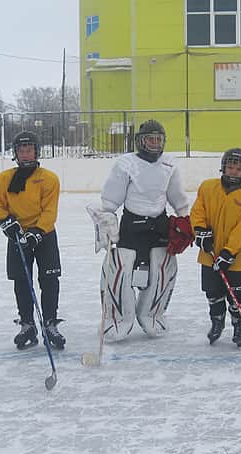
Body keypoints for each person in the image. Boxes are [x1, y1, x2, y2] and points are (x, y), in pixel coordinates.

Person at [88, 119, 194, 341]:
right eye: (150, 139)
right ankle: (116, 319)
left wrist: (185, 218)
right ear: (140, 141)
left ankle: (153, 315)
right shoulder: (126, 164)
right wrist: (106, 219)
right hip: (131, 226)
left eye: (159, 140)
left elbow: (178, 198)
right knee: (120, 271)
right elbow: (111, 200)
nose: (155, 144)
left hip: (160, 226)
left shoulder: (169, 165)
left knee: (162, 271)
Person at [0, 131, 65, 350]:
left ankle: (50, 323)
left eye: (29, 150)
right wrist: (6, 222)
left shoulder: (49, 178)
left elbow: (49, 211)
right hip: (17, 236)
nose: (25, 154)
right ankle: (27, 324)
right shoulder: (4, 179)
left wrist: (37, 231)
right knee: (21, 281)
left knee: (49, 280)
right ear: (15, 153)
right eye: (21, 151)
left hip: (45, 235)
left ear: (36, 151)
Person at [190, 148, 241, 347]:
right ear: (223, 167)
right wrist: (200, 232)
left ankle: (239, 325)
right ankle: (217, 322)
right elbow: (198, 212)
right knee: (213, 292)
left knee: (238, 295)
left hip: (235, 258)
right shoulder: (208, 187)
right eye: (230, 166)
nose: (233, 171)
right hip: (209, 255)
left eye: (238, 168)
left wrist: (229, 251)